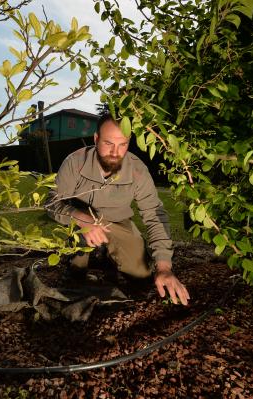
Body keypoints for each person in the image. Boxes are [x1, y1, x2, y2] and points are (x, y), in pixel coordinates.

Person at [46, 113, 190, 305]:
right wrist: (81, 218)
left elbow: (154, 215)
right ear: (96, 139)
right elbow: (51, 203)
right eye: (108, 143)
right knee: (75, 277)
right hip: (80, 225)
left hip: (119, 224)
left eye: (122, 145)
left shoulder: (138, 170)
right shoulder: (74, 162)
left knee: (141, 276)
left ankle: (109, 257)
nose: (115, 152)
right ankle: (79, 265)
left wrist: (164, 267)